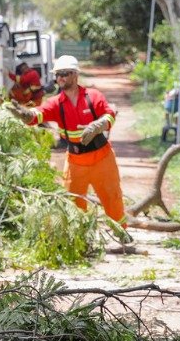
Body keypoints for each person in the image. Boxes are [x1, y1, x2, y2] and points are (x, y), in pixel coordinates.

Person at [26, 54, 125, 226]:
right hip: (75, 162)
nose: (60, 78)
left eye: (64, 73)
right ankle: (81, 241)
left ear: (75, 75)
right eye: (57, 74)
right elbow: (37, 115)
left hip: (102, 159)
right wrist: (22, 113)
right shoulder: (56, 103)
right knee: (73, 205)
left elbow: (109, 115)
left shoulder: (93, 96)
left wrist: (99, 125)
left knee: (112, 199)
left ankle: (123, 234)